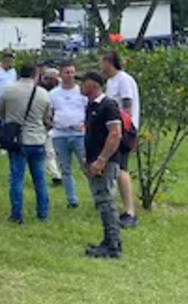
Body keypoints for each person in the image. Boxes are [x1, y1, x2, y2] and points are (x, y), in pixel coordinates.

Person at [0, 63, 52, 224]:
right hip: (37, 139)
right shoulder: (43, 94)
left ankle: (16, 214)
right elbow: (46, 117)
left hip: (17, 141)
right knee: (40, 179)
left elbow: (1, 111)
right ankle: (42, 213)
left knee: (16, 178)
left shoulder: (8, 91)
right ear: (36, 75)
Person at [81, 72, 123, 259]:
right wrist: (86, 160)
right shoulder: (91, 106)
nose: (81, 86)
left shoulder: (108, 106)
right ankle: (107, 240)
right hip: (93, 160)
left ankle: (113, 245)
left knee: (106, 201)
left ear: (93, 85)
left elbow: (115, 134)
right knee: (101, 200)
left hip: (105, 161)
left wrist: (101, 160)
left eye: (84, 83)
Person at [102, 53, 140, 230]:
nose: (101, 67)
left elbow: (127, 104)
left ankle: (129, 212)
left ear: (109, 63)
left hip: (123, 129)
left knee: (121, 169)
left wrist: (124, 128)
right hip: (114, 128)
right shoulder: (111, 81)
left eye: (102, 63)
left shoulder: (123, 79)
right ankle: (113, 204)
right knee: (115, 168)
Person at [49, 63, 86, 209]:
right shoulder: (53, 94)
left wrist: (85, 125)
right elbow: (48, 114)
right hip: (60, 135)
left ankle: (97, 197)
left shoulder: (81, 92)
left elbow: (90, 111)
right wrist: (53, 124)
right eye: (67, 72)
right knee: (65, 169)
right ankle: (72, 199)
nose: (70, 76)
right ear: (60, 74)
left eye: (72, 72)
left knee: (86, 166)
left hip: (79, 134)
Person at [39, 66, 64, 186]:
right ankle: (55, 175)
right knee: (48, 152)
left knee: (49, 152)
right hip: (43, 125)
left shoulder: (57, 90)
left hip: (55, 124)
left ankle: (53, 175)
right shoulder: (41, 91)